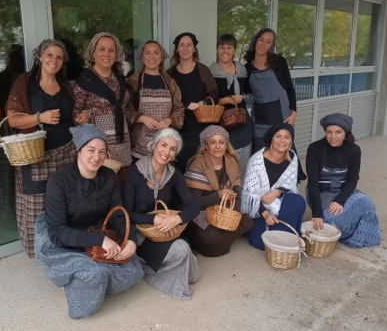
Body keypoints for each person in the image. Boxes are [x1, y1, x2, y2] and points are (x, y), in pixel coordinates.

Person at [34, 124, 143, 319]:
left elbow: (117, 214)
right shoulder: (59, 181)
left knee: (134, 272)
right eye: (91, 150)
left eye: (102, 151)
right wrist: (99, 241)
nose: (97, 157)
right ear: (79, 151)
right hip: (64, 237)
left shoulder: (109, 176)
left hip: (97, 231)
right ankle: (75, 284)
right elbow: (57, 232)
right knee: (95, 274)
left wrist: (131, 239)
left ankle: (93, 281)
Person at [6, 39, 76, 257]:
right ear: (39, 56)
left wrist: (81, 117)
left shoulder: (65, 84)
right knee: (37, 205)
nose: (54, 60)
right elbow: (13, 120)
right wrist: (40, 117)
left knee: (65, 202)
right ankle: (41, 253)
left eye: (58, 57)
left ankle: (64, 247)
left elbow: (70, 116)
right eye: (49, 55)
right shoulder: (25, 82)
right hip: (36, 156)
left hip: (66, 153)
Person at [123, 128, 200, 300]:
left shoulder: (174, 174)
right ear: (154, 145)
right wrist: (155, 218)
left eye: (172, 149)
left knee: (193, 275)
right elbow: (126, 214)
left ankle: (155, 265)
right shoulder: (135, 172)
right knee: (182, 250)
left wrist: (176, 219)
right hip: (140, 232)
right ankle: (145, 266)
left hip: (163, 231)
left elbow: (194, 207)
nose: (166, 152)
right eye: (163, 145)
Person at [306, 113, 381, 247]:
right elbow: (312, 183)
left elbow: (352, 180)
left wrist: (340, 201)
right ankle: (348, 225)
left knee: (369, 205)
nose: (333, 137)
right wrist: (317, 214)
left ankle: (357, 234)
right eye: (329, 132)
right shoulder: (315, 148)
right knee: (330, 221)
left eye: (338, 132)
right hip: (322, 192)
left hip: (344, 190)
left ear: (345, 133)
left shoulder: (354, 150)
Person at [244, 28, 307, 181]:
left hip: (281, 114)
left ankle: (288, 184)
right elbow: (247, 91)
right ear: (255, 41)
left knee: (283, 148)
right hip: (259, 115)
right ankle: (262, 182)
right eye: (261, 39)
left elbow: (290, 88)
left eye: (268, 41)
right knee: (260, 150)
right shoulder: (247, 67)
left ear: (271, 45)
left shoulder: (278, 62)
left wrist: (294, 113)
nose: (263, 44)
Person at [184, 125, 253, 257]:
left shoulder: (232, 163)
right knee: (209, 235)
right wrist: (218, 196)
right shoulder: (198, 165)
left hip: (225, 211)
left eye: (221, 142)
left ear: (226, 145)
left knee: (247, 222)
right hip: (202, 212)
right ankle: (211, 240)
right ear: (206, 145)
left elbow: (237, 194)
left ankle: (217, 241)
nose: (217, 146)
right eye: (213, 142)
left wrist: (233, 215)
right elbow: (193, 203)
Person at [73, 32, 132, 183]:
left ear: (116, 53)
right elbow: (75, 116)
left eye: (111, 50)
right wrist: (87, 113)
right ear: (93, 52)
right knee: (101, 188)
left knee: (120, 186)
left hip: (122, 142)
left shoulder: (118, 78)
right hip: (98, 147)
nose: (106, 54)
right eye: (101, 49)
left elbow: (123, 107)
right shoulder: (85, 80)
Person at [241, 123, 306, 250]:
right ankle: (285, 234)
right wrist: (265, 214)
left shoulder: (292, 158)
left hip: (278, 204)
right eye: (278, 136)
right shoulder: (256, 161)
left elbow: (290, 186)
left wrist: (277, 191)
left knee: (297, 201)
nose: (282, 141)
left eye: (287, 137)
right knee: (260, 242)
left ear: (291, 141)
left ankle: (283, 236)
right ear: (271, 139)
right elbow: (249, 197)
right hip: (258, 211)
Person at [0, 44, 25, 230]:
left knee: (3, 179)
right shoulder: (27, 79)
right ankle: (22, 221)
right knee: (23, 179)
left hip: (2, 134)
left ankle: (6, 221)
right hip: (24, 135)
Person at [167, 32, 219, 172]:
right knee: (179, 167)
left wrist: (201, 103)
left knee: (199, 167)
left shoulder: (203, 70)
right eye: (181, 45)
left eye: (189, 45)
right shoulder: (169, 73)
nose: (185, 48)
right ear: (177, 49)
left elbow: (214, 96)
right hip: (178, 129)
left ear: (194, 48)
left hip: (200, 128)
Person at [125, 41, 185, 161]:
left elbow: (179, 110)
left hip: (165, 147)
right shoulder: (133, 81)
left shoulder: (170, 82)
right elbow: (126, 109)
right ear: (142, 57)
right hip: (139, 148)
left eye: (156, 53)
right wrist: (142, 118)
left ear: (161, 57)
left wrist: (169, 120)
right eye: (148, 53)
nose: (152, 57)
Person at [210, 34, 254, 179]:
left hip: (242, 121)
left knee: (243, 165)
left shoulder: (241, 70)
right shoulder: (211, 72)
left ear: (234, 50)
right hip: (222, 123)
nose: (225, 51)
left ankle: (241, 196)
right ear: (217, 50)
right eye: (222, 47)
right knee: (225, 164)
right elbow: (209, 101)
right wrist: (228, 100)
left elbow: (248, 90)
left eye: (229, 48)